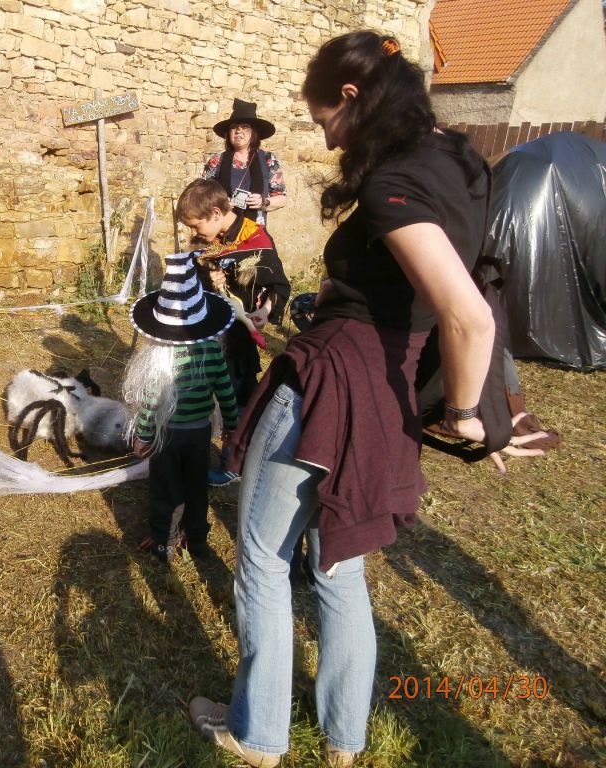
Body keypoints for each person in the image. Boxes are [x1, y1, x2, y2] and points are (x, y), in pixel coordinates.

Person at [187, 31, 532, 767]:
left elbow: (469, 314)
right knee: (339, 563)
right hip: (387, 398)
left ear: (351, 97)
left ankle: (257, 734)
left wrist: (465, 414)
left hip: (332, 383)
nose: (327, 138)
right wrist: (487, 403)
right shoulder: (462, 163)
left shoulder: (392, 183)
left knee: (263, 560)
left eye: (324, 120)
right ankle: (344, 739)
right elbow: (478, 286)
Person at [123, 252, 240, 564]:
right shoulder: (213, 351)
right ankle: (197, 540)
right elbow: (226, 393)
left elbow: (151, 403)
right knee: (196, 485)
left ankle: (164, 540)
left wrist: (143, 436)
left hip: (167, 436)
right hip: (200, 435)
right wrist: (232, 427)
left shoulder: (161, 357)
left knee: (165, 487)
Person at [176, 178, 290, 487]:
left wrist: (265, 310)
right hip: (209, 333)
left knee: (237, 399)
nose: (194, 232)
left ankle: (234, 462)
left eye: (196, 225)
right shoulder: (212, 238)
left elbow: (278, 285)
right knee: (203, 394)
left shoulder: (256, 240)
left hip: (238, 340)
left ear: (215, 213)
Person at [203, 98, 287, 227]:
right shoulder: (217, 160)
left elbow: (282, 198)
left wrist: (263, 202)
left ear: (253, 132)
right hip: (223, 229)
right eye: (233, 128)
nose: (238, 131)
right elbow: (202, 194)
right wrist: (220, 203)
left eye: (244, 127)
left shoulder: (268, 160)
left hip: (255, 230)